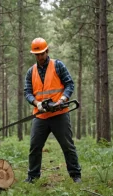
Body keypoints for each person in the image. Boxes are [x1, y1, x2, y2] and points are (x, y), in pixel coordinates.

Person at [23, 37, 82, 183]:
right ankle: (32, 177)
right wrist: (37, 103)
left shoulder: (58, 65)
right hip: (40, 115)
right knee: (35, 147)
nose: (40, 57)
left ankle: (75, 175)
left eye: (42, 53)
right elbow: (27, 92)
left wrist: (62, 100)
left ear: (47, 51)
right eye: (37, 54)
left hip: (59, 114)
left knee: (67, 146)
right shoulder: (31, 71)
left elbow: (69, 84)